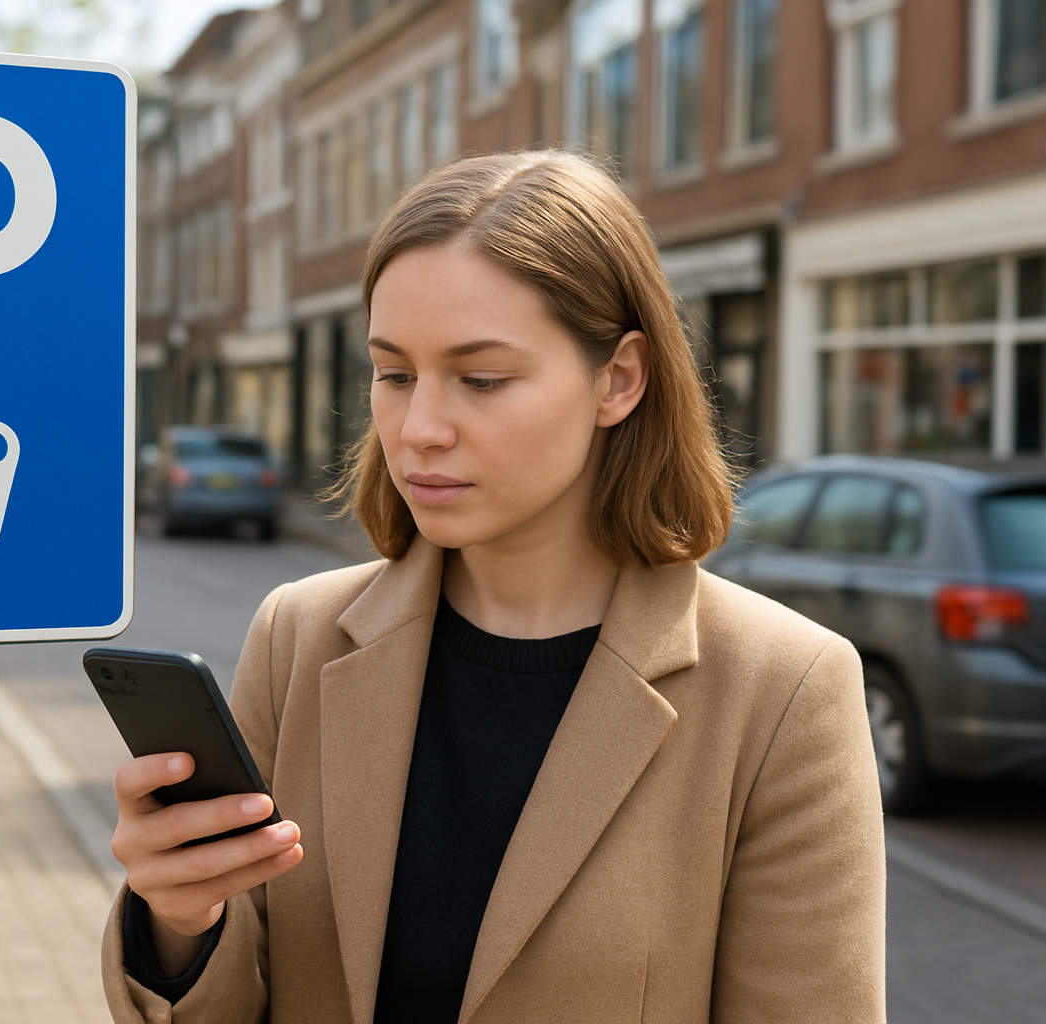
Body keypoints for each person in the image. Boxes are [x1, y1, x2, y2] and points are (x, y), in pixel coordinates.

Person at [100, 151, 886, 1024]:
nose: (419, 429)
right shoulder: (299, 637)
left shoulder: (784, 689)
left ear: (618, 379)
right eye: (393, 374)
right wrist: (179, 918)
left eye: (481, 379)